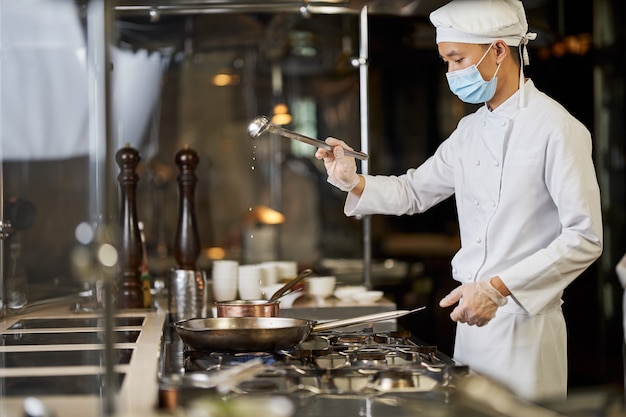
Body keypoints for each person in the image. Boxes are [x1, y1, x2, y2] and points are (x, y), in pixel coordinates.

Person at [315, 0, 603, 402]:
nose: (451, 72)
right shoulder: (468, 130)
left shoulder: (557, 128)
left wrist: (498, 289)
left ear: (499, 50)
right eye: (446, 61)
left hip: (526, 325)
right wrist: (352, 180)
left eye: (457, 59)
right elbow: (413, 192)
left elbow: (584, 237)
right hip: (470, 320)